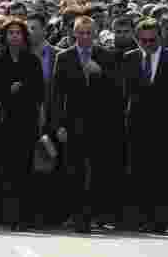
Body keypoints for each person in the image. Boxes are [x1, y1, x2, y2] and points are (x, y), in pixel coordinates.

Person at [49, 15, 122, 233]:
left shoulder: (106, 56)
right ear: (74, 34)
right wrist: (58, 124)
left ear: (96, 34)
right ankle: (78, 214)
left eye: (89, 33)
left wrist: (100, 74)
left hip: (100, 124)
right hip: (73, 124)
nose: (84, 37)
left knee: (98, 171)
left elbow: (118, 90)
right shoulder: (64, 57)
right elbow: (56, 94)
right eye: (80, 33)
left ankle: (94, 213)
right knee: (74, 170)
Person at [121, 17, 168, 232]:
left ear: (159, 37)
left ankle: (161, 219)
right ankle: (142, 217)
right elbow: (124, 94)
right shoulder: (129, 59)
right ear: (137, 39)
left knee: (163, 175)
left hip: (165, 128)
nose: (148, 44)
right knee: (139, 174)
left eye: (152, 40)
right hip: (137, 127)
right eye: (144, 41)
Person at [0, 18, 43, 230]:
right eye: (10, 33)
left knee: (24, 169)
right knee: (5, 169)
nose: (14, 36)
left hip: (26, 122)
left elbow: (39, 91)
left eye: (18, 33)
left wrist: (23, 89)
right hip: (4, 123)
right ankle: (4, 214)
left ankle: (24, 215)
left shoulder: (32, 61)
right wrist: (7, 90)